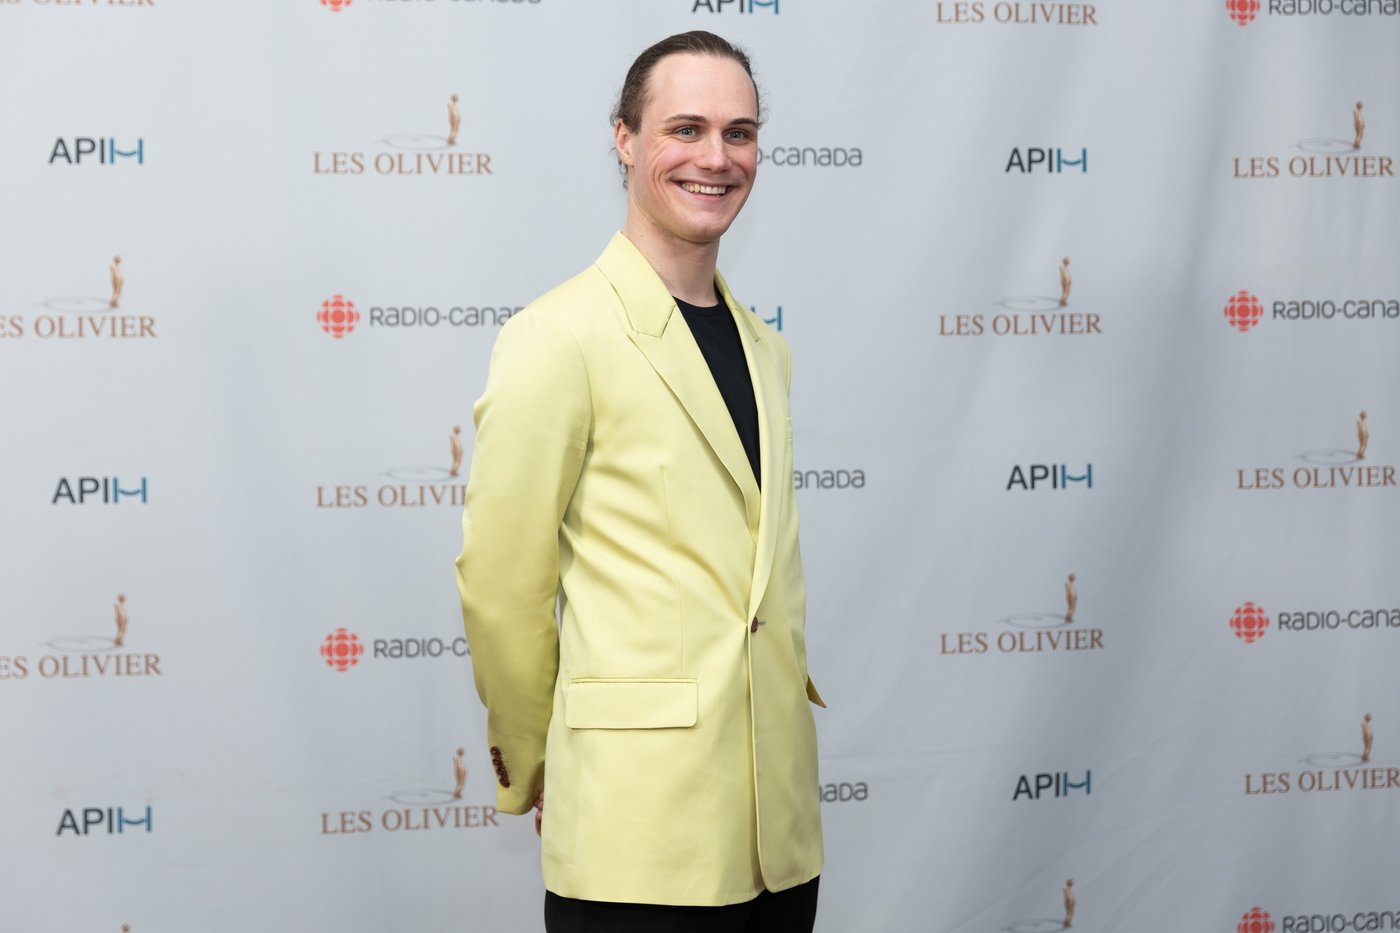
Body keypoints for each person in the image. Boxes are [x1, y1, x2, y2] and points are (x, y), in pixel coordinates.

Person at [455, 30, 823, 932]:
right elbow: (502, 587)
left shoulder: (766, 347)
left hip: (778, 836)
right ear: (624, 139)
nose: (716, 157)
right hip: (634, 834)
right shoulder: (558, 335)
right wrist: (538, 759)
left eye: (739, 133)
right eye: (686, 129)